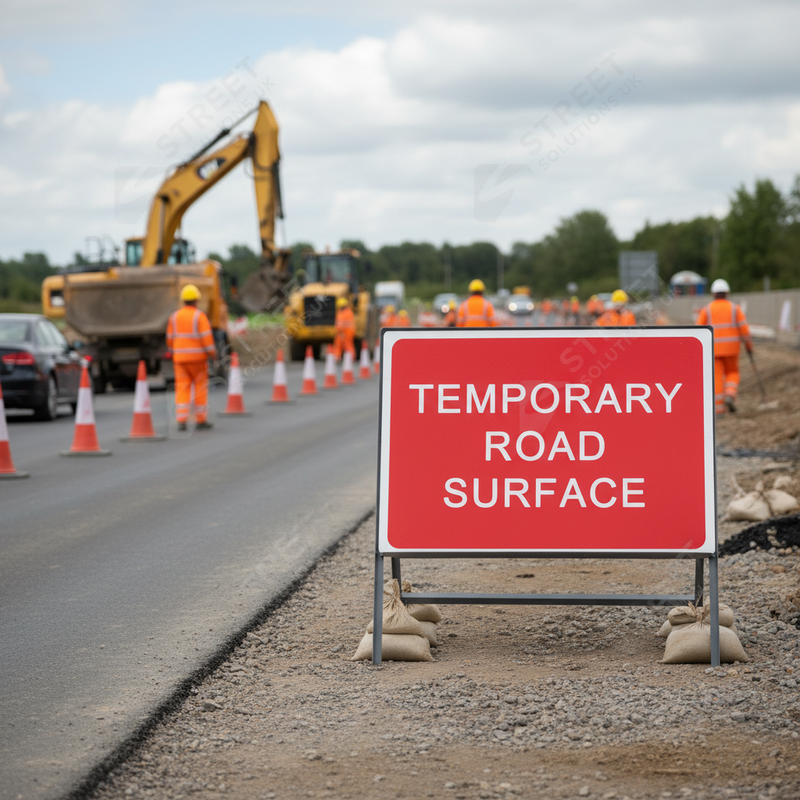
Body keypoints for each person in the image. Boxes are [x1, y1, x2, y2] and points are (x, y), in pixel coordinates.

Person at [695, 278, 752, 413]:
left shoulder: (707, 309)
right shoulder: (734, 308)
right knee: (732, 372)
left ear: (713, 293)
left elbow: (698, 330)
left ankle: (719, 409)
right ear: (727, 293)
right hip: (732, 349)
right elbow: (744, 330)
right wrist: (749, 347)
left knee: (717, 376)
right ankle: (730, 393)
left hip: (713, 350)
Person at [167, 284, 217, 431]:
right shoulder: (199, 316)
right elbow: (206, 339)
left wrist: (174, 352)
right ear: (196, 300)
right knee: (200, 388)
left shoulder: (174, 317)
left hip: (180, 360)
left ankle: (181, 420)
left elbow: (170, 339)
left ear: (183, 300)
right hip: (198, 360)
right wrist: (213, 355)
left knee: (182, 388)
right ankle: (201, 420)